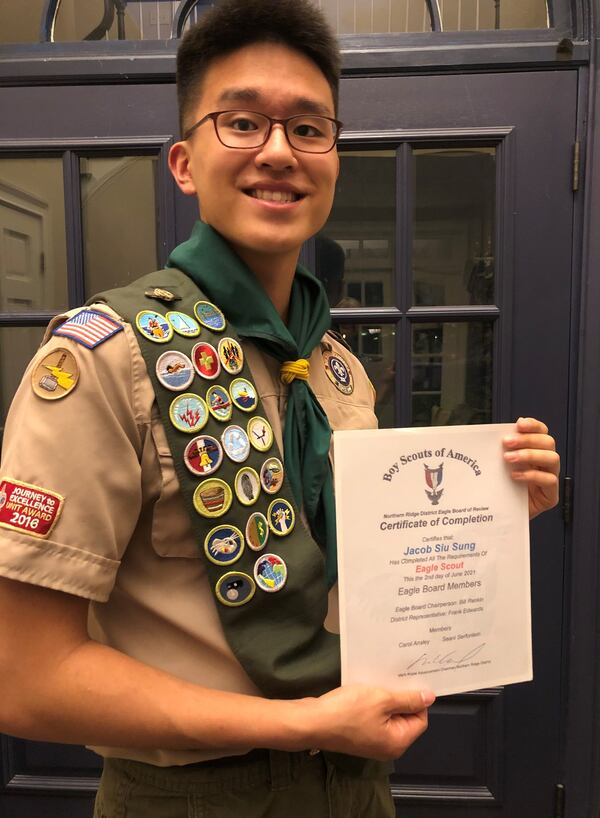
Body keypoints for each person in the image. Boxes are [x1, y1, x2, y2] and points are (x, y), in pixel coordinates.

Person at [0, 1, 560, 816]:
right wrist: (299, 725)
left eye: (308, 128)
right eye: (241, 122)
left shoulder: (335, 370)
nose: (277, 151)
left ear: (334, 159)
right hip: (189, 798)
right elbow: (25, 677)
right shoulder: (106, 360)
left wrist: (494, 514)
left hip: (357, 787)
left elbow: (365, 571)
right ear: (184, 163)